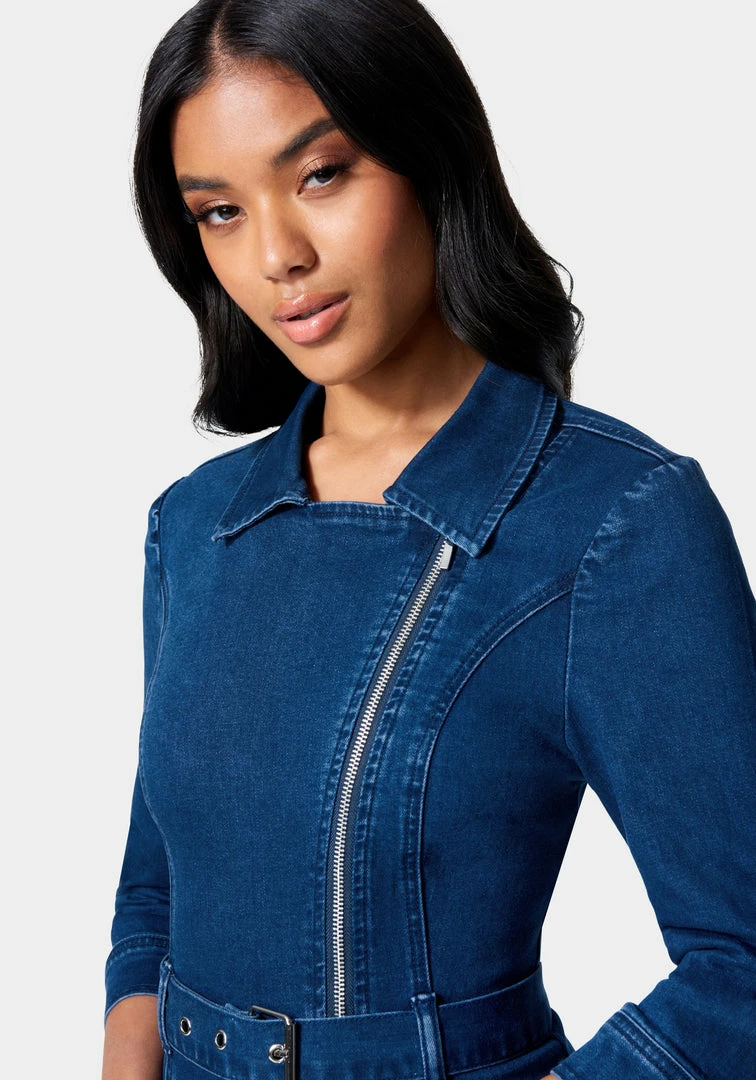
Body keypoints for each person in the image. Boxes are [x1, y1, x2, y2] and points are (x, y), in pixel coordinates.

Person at [102, 1, 756, 1078]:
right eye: (220, 211)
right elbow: (157, 889)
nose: (277, 255)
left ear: (430, 157)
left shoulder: (615, 521)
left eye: (322, 174)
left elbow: (741, 964)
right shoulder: (194, 526)